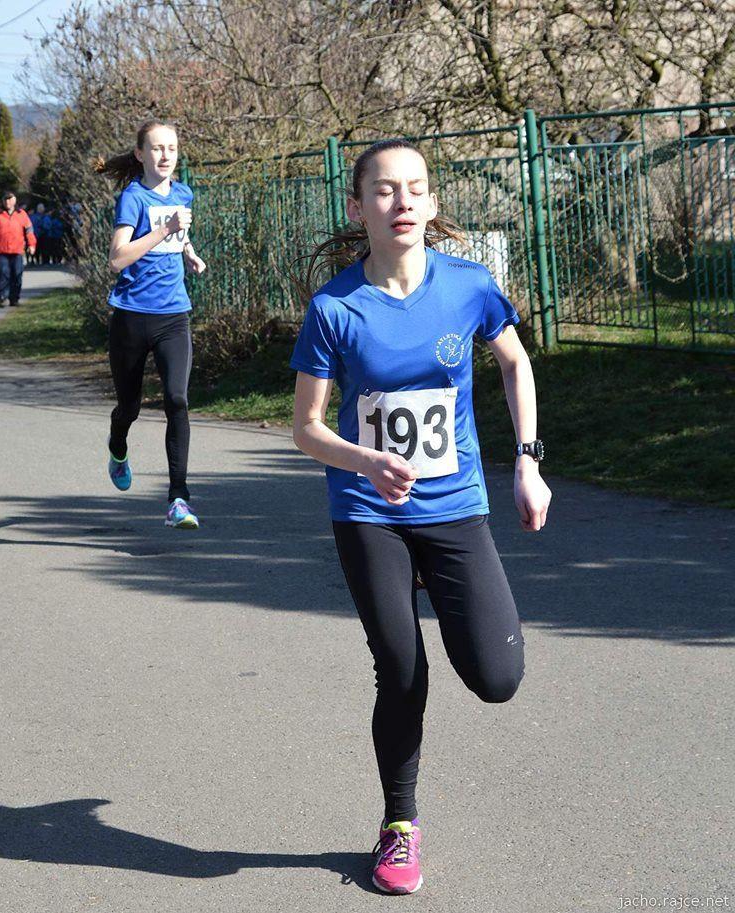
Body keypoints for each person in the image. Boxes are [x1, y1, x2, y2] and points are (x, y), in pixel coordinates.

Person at [289, 139, 552, 895]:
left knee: (499, 677)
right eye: (383, 191)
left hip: (456, 508)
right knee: (401, 667)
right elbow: (307, 428)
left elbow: (514, 361)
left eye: (415, 190)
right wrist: (366, 461)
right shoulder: (335, 308)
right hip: (368, 510)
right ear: (357, 207)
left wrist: (527, 462)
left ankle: (449, 596)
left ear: (432, 205)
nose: (401, 202)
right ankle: (398, 825)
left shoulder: (468, 287)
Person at [99, 120, 207, 530]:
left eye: (173, 148)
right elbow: (117, 258)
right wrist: (164, 229)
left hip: (173, 316)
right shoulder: (132, 198)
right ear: (141, 154)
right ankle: (118, 444)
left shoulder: (183, 192)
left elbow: (177, 238)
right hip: (130, 317)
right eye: (158, 148)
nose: (166, 155)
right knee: (129, 407)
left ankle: (179, 498)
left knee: (177, 400)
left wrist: (189, 254)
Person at [0, 192, 35, 308]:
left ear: (14, 200)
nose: (8, 202)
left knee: (17, 274)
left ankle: (14, 298)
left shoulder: (21, 214)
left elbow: (29, 231)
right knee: (3, 273)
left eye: (10, 199)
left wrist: (31, 244)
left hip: (17, 250)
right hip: (2, 250)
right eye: (5, 200)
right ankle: (2, 297)